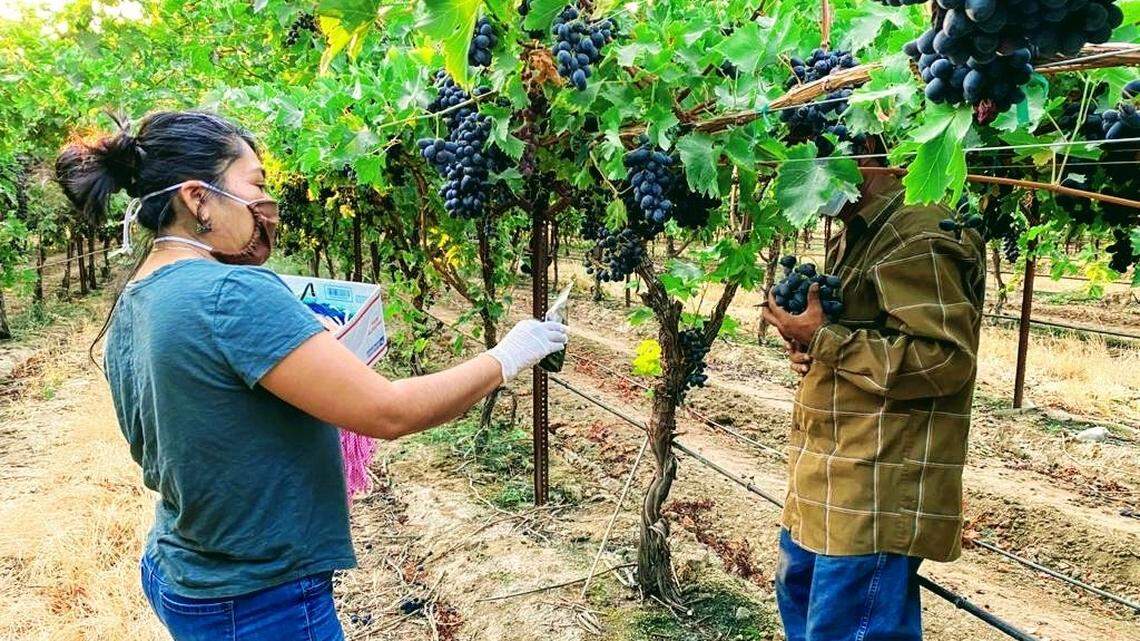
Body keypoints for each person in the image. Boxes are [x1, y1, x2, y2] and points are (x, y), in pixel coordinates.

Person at [55, 111, 568, 641]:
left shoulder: (138, 295)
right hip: (257, 599)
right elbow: (389, 412)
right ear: (197, 197)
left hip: (184, 567)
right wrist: (507, 356)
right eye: (254, 184)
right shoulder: (232, 294)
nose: (266, 203)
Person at [761, 154, 986, 641]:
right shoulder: (862, 229)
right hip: (825, 479)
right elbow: (859, 333)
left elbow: (946, 360)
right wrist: (811, 345)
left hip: (872, 491)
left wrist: (827, 340)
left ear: (863, 149)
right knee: (804, 610)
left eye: (813, 157)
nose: (801, 172)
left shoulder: (918, 233)